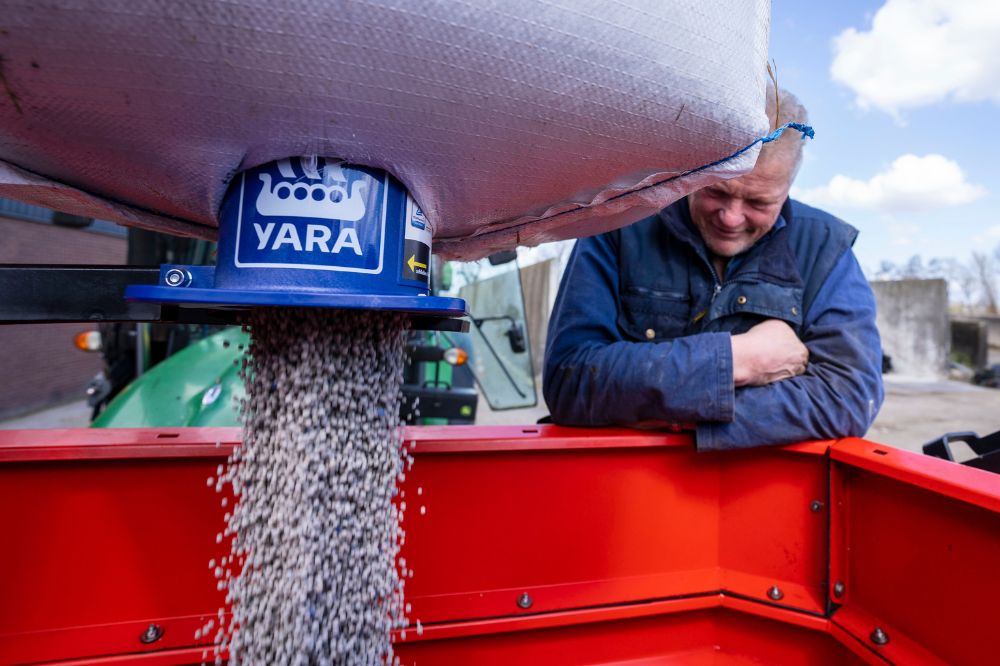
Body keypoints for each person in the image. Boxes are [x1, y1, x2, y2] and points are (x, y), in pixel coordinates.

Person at [542, 85, 883, 450]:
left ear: (787, 188)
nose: (731, 218)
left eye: (758, 202)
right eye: (716, 191)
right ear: (693, 169)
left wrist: (665, 412)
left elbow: (848, 396)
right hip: (626, 487)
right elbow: (569, 379)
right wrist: (739, 360)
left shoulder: (825, 247)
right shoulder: (617, 225)